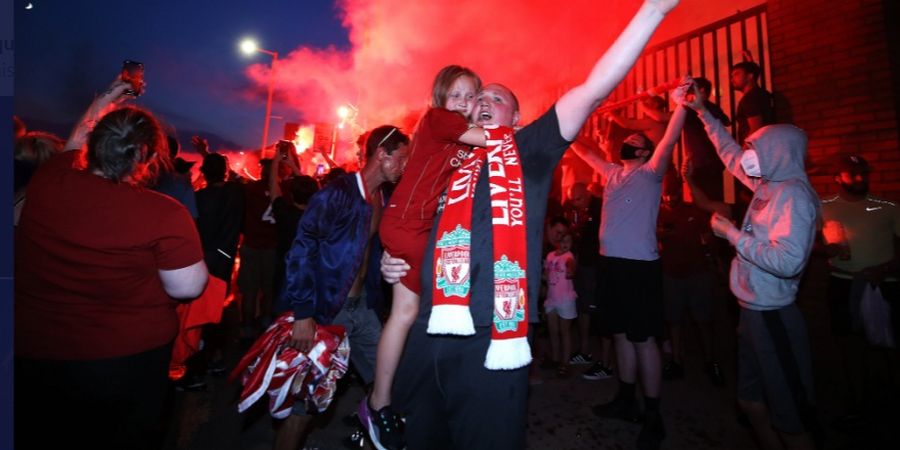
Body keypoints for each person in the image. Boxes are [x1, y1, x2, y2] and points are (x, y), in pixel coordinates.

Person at [382, 2, 680, 449]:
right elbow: (417, 219)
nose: (483, 103)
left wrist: (653, 11)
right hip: (427, 332)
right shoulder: (450, 159)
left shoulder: (529, 149)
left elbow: (594, 88)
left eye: (496, 99)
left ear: (517, 118)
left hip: (491, 336)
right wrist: (398, 260)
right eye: (479, 99)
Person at [15, 77, 208, 450]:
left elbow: (72, 144)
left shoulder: (50, 178)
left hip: (35, 353)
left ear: (96, 146)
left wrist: (104, 99)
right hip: (123, 362)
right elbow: (188, 287)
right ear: (148, 157)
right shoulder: (164, 213)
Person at [683, 85, 821, 450]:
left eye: (755, 150)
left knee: (790, 417)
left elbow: (789, 262)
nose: (747, 156)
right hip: (751, 313)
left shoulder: (793, 194)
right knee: (750, 401)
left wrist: (732, 234)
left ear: (778, 153)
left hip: (774, 316)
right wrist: (701, 111)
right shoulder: (766, 186)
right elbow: (728, 153)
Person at [365, 64, 490, 449]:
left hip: (409, 225)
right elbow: (492, 140)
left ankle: (381, 401)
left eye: (472, 96)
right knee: (421, 314)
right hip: (407, 224)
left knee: (405, 314)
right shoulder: (439, 120)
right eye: (457, 94)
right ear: (441, 98)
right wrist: (519, 128)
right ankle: (388, 401)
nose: (464, 102)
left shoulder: (457, 142)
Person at [570, 80, 691, 449]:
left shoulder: (651, 173)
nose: (627, 141)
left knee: (644, 341)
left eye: (634, 141)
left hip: (639, 268)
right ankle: (626, 399)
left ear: (643, 151)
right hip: (612, 267)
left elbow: (669, 138)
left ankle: (653, 415)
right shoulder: (612, 172)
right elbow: (580, 148)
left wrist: (683, 104)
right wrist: (569, 118)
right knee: (620, 334)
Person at [275, 126, 410, 450]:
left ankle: (368, 426)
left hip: (363, 308)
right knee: (304, 406)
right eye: (402, 158)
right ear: (383, 154)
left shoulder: (383, 197)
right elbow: (300, 251)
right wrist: (304, 314)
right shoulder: (336, 194)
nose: (406, 166)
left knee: (388, 383)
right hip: (326, 312)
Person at [820, 154, 900, 424]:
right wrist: (824, 249)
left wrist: (886, 269)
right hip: (842, 283)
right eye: (852, 173)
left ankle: (890, 403)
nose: (860, 178)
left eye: (863, 173)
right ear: (837, 178)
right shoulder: (823, 207)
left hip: (883, 284)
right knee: (848, 347)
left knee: (887, 345)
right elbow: (807, 243)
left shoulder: (887, 206)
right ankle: (857, 404)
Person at [657, 171, 724, 386]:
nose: (670, 197)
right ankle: (676, 361)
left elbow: (710, 238)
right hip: (671, 275)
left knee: (703, 320)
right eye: (667, 193)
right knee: (673, 320)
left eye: (673, 192)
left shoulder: (693, 211)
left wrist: (711, 251)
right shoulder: (656, 214)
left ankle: (710, 361)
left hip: (697, 274)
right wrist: (658, 235)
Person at [681, 76, 730, 201]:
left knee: (704, 202)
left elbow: (662, 118)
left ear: (701, 91)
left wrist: (643, 105)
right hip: (713, 161)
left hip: (702, 163)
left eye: (690, 89)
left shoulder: (694, 108)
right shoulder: (712, 107)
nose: (686, 93)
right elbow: (727, 121)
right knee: (714, 201)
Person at [544, 227, 578, 377]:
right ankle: (556, 358)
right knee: (553, 332)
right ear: (557, 242)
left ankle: (566, 362)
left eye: (568, 242)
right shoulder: (550, 256)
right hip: (552, 299)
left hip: (565, 299)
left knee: (565, 332)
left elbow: (571, 264)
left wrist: (571, 271)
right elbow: (546, 275)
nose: (566, 244)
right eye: (563, 241)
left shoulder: (568, 256)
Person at [730, 61, 774, 146]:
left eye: (736, 74)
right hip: (769, 145)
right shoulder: (763, 94)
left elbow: (755, 128)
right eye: (732, 76)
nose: (732, 79)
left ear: (750, 76)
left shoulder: (749, 98)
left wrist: (745, 151)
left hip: (755, 149)